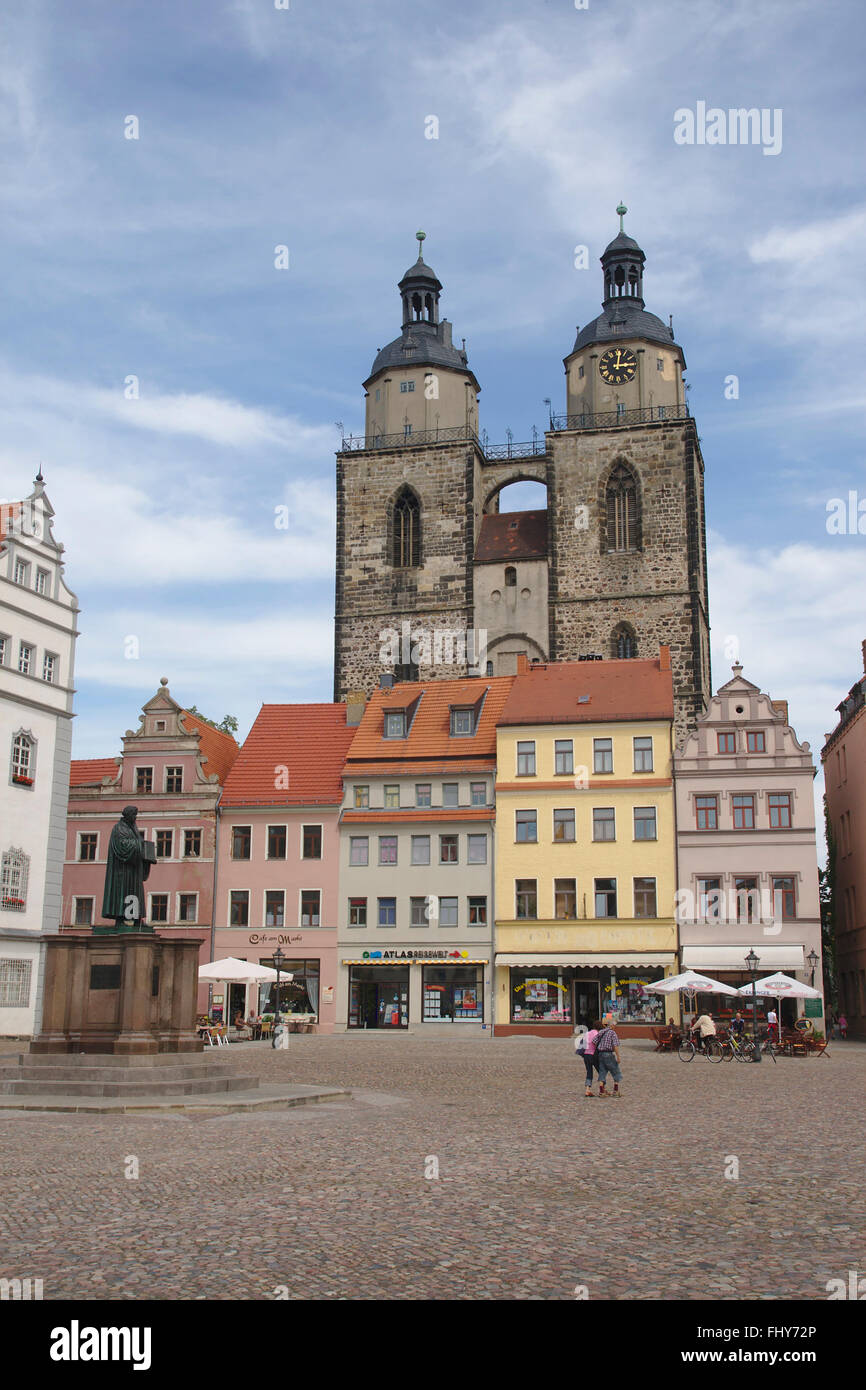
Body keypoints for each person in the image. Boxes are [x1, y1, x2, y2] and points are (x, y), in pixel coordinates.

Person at [595, 1019, 622, 1097]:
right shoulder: (612, 1033)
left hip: (600, 1054)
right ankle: (616, 1091)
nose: (615, 1027)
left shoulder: (601, 1032)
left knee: (602, 1072)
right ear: (612, 1025)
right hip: (608, 1054)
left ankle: (601, 1091)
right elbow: (615, 1045)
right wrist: (618, 1056)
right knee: (616, 1071)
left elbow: (594, 1041)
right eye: (615, 1026)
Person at [576, 1020, 601, 1098]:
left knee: (589, 1072)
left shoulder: (587, 1033)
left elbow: (582, 1044)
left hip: (586, 1055)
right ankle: (602, 1089)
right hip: (594, 1055)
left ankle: (587, 1090)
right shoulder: (597, 1034)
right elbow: (598, 1045)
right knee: (601, 1072)